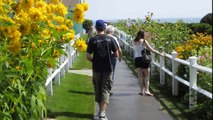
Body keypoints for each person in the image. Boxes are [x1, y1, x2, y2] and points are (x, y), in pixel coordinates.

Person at [86, 19, 118, 120]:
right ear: (104, 28)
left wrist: (93, 61)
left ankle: (101, 112)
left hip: (96, 69)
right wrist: (109, 57)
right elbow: (116, 54)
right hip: (108, 68)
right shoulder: (110, 39)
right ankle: (102, 113)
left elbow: (87, 56)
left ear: (96, 28)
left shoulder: (93, 40)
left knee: (98, 89)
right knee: (105, 89)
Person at [132, 30, 163, 96]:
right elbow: (151, 50)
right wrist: (160, 53)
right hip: (144, 59)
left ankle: (141, 91)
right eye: (145, 34)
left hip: (137, 59)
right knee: (146, 75)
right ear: (143, 34)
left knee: (140, 76)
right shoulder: (143, 41)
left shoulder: (134, 41)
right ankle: (147, 90)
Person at [105, 25, 122, 95]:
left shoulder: (103, 37)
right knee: (111, 72)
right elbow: (119, 49)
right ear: (112, 31)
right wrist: (120, 57)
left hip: (104, 57)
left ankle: (104, 88)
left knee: (104, 72)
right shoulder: (114, 38)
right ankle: (109, 89)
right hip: (112, 57)